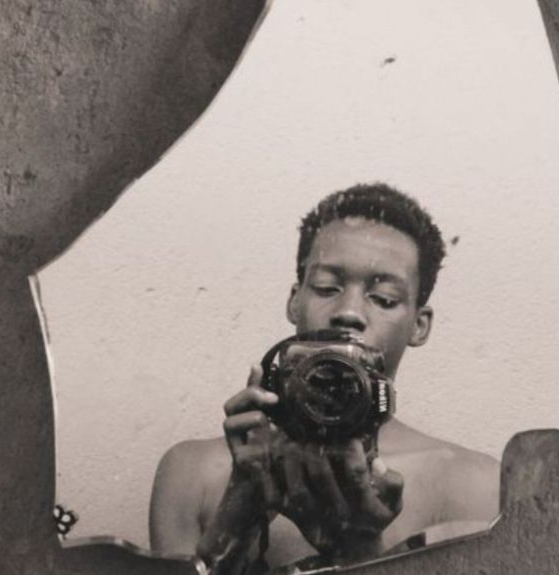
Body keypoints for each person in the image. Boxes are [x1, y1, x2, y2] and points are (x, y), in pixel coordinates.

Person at [149, 183, 499, 574]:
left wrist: (359, 552)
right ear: (294, 300)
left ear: (419, 325)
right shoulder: (194, 472)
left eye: (384, 299)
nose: (348, 312)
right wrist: (236, 514)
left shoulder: (472, 486)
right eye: (326, 288)